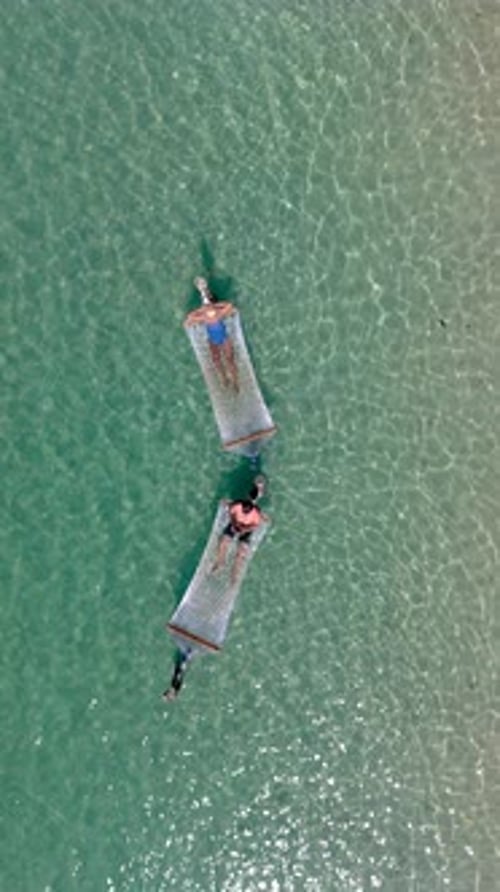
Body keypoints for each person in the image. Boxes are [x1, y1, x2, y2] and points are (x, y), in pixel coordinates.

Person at [212, 476, 267, 585]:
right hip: (235, 524)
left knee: (241, 552)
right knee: (224, 541)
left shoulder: (255, 513)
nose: (246, 509)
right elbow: (231, 513)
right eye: (245, 507)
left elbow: (255, 526)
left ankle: (234, 575)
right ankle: (220, 563)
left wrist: (244, 529)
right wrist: (234, 523)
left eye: (248, 508)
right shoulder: (238, 506)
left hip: (246, 530)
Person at [186, 277, 239, 391]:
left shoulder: (218, 313)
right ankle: (224, 378)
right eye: (206, 306)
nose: (207, 307)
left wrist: (214, 306)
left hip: (223, 339)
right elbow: (190, 317)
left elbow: (229, 306)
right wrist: (203, 310)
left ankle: (234, 381)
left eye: (209, 305)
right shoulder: (205, 317)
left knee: (230, 360)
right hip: (213, 340)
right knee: (217, 361)